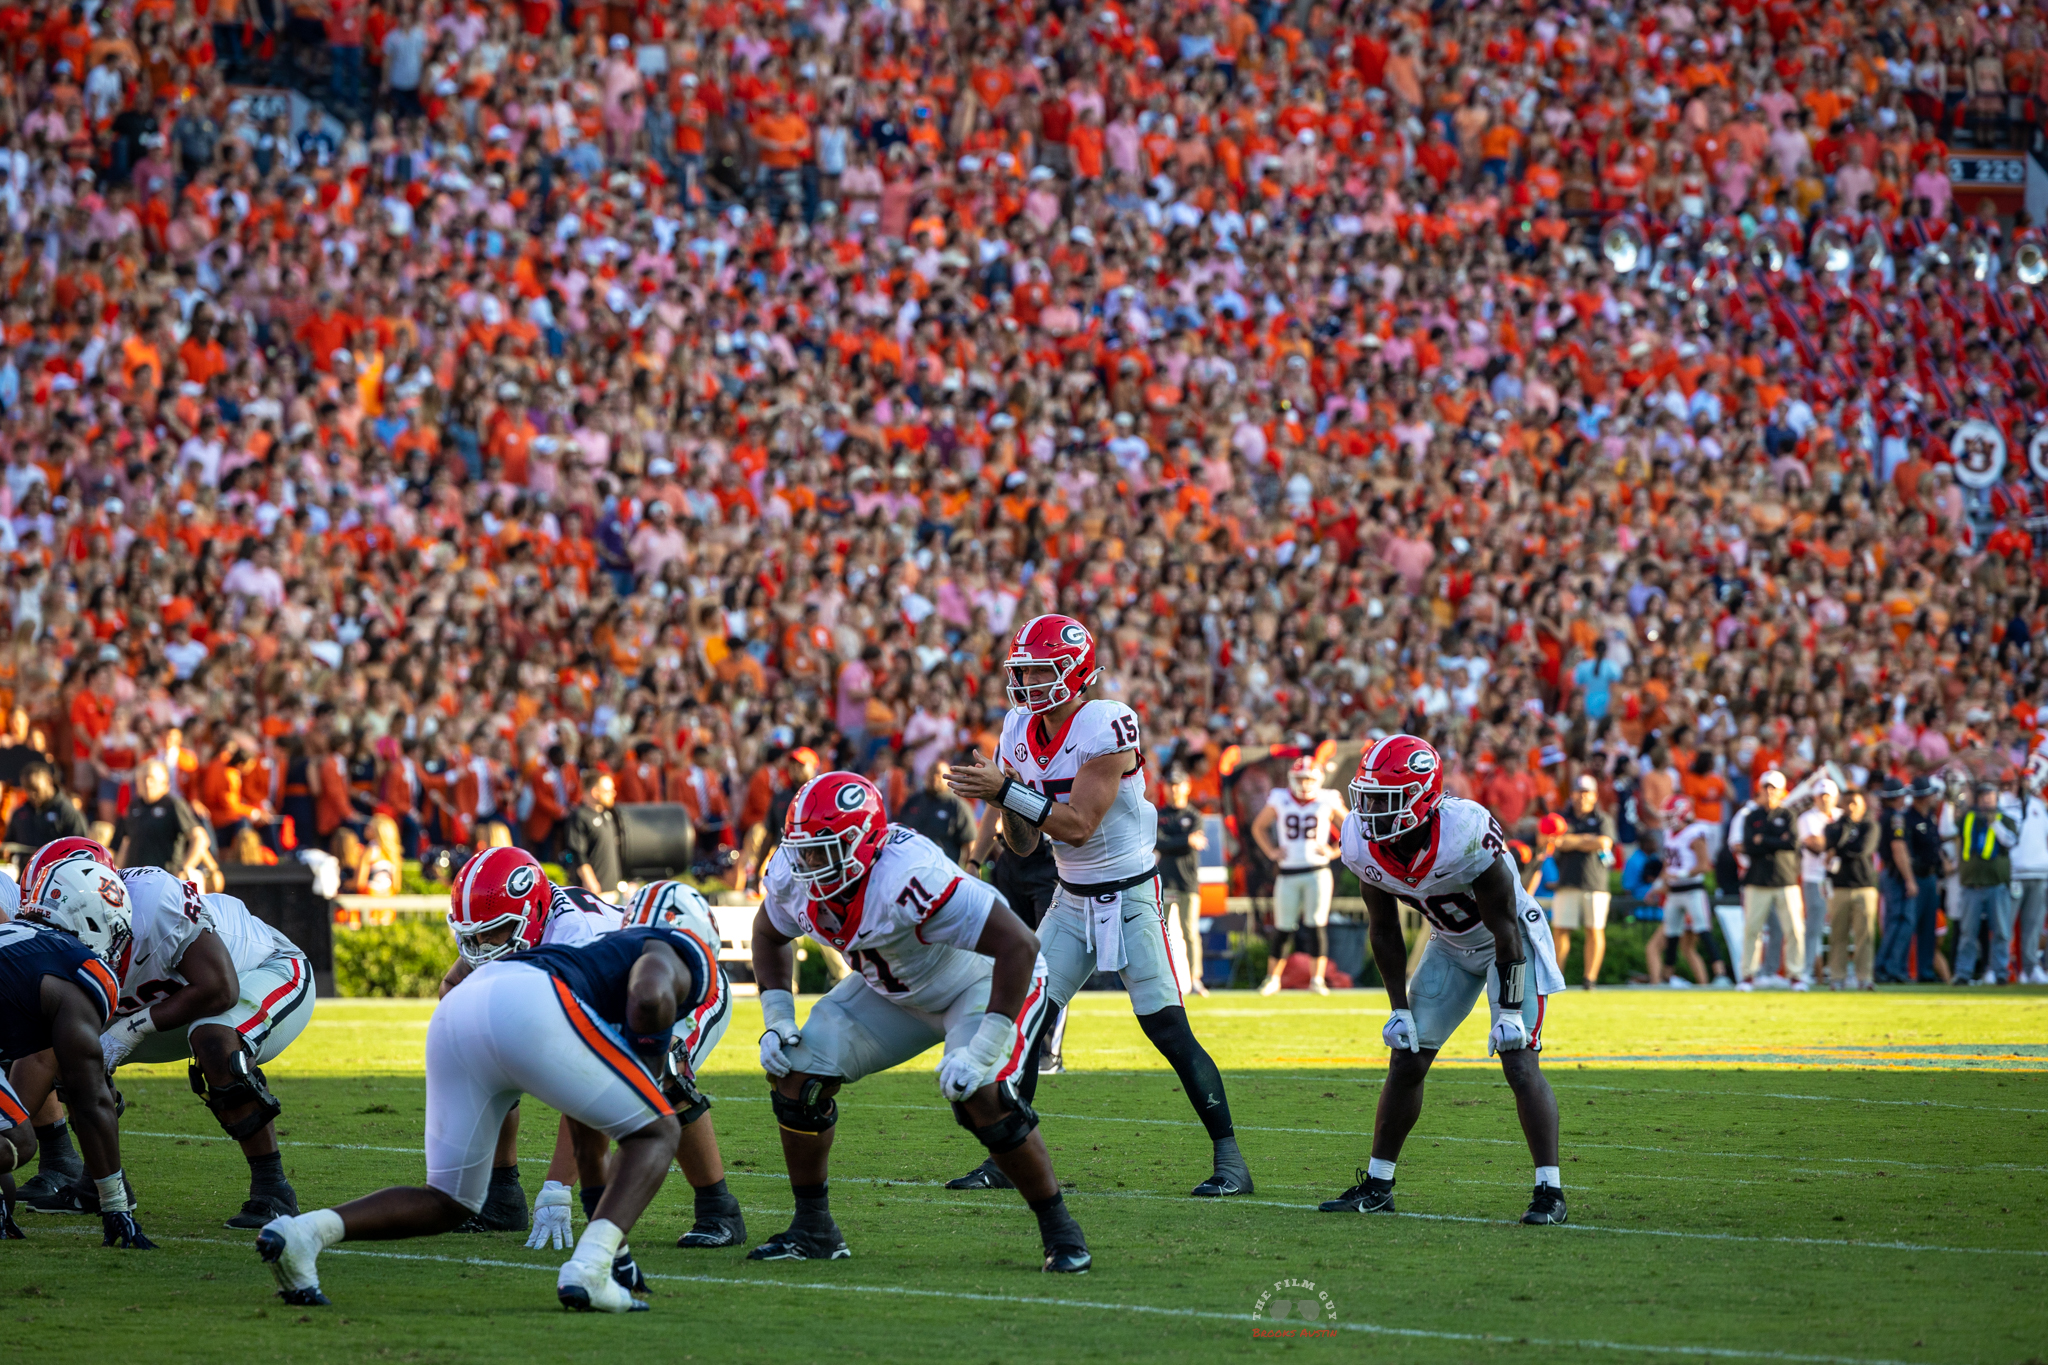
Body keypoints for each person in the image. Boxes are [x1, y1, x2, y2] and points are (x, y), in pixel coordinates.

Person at [257, 921, 713, 1313]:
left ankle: (304, 1234)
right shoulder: (678, 952)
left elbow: (588, 1144)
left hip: (463, 1006)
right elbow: (652, 994)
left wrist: (616, 1247)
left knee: (449, 1199)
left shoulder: (597, 968)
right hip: (528, 1001)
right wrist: (650, 1071)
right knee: (659, 1131)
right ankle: (588, 1271)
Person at [947, 615, 1251, 1198]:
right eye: (1024, 669)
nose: (1029, 681)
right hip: (1069, 897)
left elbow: (1081, 826)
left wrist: (1006, 790)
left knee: (1167, 1030)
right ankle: (1006, 1155)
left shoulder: (1106, 723)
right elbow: (1027, 842)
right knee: (1025, 1023)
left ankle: (1231, 1160)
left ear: (1075, 673)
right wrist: (1001, 810)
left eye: (1041, 669)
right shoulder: (1017, 727)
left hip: (1131, 896)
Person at [749, 771, 1089, 1271]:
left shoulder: (911, 874)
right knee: (796, 1072)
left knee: (981, 1094)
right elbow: (768, 933)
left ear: (865, 843)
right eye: (803, 849)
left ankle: (1060, 1229)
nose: (809, 864)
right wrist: (777, 1018)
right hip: (891, 992)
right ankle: (813, 1228)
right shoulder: (792, 875)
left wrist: (986, 1046)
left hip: (981, 980)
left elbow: (1019, 945)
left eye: (825, 850)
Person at [1321, 734, 1568, 1225]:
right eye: (1365, 796)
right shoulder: (1360, 838)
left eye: (1384, 800)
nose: (1368, 811)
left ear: (1423, 796)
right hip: (1449, 946)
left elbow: (1505, 928)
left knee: (1519, 1064)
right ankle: (1378, 1184)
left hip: (1510, 947)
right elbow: (1384, 927)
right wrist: (1398, 1008)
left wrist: (1512, 1011)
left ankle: (1550, 1192)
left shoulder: (1465, 831)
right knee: (1407, 1059)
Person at [14, 860, 314, 1226]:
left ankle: (273, 1189)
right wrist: (6, 1129)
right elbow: (38, 1057)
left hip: (261, 970)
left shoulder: (154, 901)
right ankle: (100, 1182)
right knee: (68, 1049)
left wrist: (130, 1031)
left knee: (216, 1045)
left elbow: (220, 989)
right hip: (175, 1001)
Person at [435, 851, 627, 1240]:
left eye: (493, 931)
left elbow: (593, 1075)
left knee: (664, 1089)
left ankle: (715, 1204)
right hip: (570, 986)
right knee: (482, 1053)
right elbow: (453, 985)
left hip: (659, 996)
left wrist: (557, 1189)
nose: (481, 943)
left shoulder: (577, 942)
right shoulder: (509, 923)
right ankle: (502, 1192)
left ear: (533, 914)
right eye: (474, 934)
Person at [0, 896, 153, 1247]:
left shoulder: (19, 935)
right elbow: (89, 1098)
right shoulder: (79, 971)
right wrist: (115, 1206)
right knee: (17, 1142)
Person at [615, 880, 745, 1249]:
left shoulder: (701, 972)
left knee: (668, 1065)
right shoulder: (600, 947)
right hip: (632, 989)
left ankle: (718, 1209)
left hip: (696, 993)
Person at [1250, 755, 1346, 995]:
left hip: (1318, 871)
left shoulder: (1327, 798)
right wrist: (1271, 851)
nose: (1304, 784)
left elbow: (1352, 826)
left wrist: (1335, 851)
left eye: (1308, 779)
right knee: (1283, 927)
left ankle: (1317, 980)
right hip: (1288, 871)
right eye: (1300, 779)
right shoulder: (1279, 798)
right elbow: (1258, 827)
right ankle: (1273, 979)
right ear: (1292, 779)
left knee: (1316, 926)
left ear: (1318, 779)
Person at [1737, 771, 1806, 990]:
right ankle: (1748, 975)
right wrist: (1776, 839)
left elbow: (1792, 843)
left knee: (1794, 929)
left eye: (1774, 788)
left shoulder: (1788, 815)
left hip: (1785, 879)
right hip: (1757, 880)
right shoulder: (1752, 816)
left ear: (1781, 790)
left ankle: (1795, 974)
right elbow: (1749, 845)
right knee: (1752, 929)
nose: (1770, 792)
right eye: (1766, 787)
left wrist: (1764, 840)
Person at [1548, 774, 1615, 989]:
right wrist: (1588, 840)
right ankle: (1556, 978)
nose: (1582, 797)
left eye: (1586, 792)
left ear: (1594, 795)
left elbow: (1605, 842)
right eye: (1578, 792)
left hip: (1595, 883)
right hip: (1567, 880)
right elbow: (1557, 842)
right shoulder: (1563, 818)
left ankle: (1590, 979)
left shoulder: (1603, 819)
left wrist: (1573, 841)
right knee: (1560, 930)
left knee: (1594, 930)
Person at [1877, 777, 1945, 984]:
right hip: (1904, 876)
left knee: (1914, 924)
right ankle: (1890, 968)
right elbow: (1900, 849)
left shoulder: (1921, 817)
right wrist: (1909, 879)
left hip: (1922, 875)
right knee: (1902, 922)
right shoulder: (1899, 818)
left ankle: (1897, 969)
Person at [1952, 780, 2018, 986]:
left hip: (1996, 884)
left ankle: (2000, 972)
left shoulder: (2005, 820)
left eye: (1991, 796)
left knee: (2001, 931)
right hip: (1972, 884)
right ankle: (1963, 972)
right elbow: (1949, 826)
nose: (1987, 800)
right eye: (1983, 797)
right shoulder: (1968, 819)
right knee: (1967, 933)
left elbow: (2011, 841)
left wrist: (1994, 823)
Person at [1154, 763, 1209, 998]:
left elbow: (1167, 843)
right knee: (1161, 931)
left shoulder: (1194, 815)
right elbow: (1158, 842)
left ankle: (1196, 979)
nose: (1174, 789)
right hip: (1165, 880)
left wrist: (1174, 842)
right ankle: (1162, 977)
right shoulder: (1159, 815)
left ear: (1187, 787)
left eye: (1178, 784)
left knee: (1189, 931)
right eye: (1171, 785)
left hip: (1187, 881)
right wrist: (1186, 840)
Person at [1647, 796, 1714, 987]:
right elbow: (1668, 867)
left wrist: (1677, 876)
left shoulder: (1693, 834)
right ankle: (1699, 982)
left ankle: (1660, 981)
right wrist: (1660, 885)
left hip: (1689, 894)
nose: (1667, 820)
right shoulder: (1671, 836)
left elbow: (1703, 865)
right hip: (1677, 896)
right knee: (1687, 948)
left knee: (1668, 946)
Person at [1825, 790, 1882, 990]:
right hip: (1839, 886)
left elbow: (1862, 849)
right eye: (1847, 803)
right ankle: (1837, 977)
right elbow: (1831, 842)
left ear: (1863, 805)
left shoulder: (1870, 826)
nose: (1851, 807)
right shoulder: (1834, 826)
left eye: (1855, 803)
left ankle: (1864, 977)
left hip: (1864, 886)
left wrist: (1839, 849)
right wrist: (1844, 835)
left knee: (1864, 935)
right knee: (1838, 935)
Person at [115, 759, 205, 877]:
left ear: (164, 783)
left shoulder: (173, 805)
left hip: (165, 879)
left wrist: (185, 868)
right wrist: (117, 873)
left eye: (151, 778)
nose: (147, 783)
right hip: (136, 880)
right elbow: (126, 842)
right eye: (143, 779)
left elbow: (200, 838)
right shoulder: (133, 806)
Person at [1794, 780, 1838, 984]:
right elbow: (1814, 843)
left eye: (1828, 795)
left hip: (1840, 878)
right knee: (1814, 926)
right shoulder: (1808, 818)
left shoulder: (1839, 816)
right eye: (1821, 795)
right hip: (1815, 877)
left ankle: (1839, 972)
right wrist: (1838, 846)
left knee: (1842, 925)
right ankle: (1807, 970)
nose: (1825, 799)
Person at [895, 759, 975, 864]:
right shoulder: (913, 801)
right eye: (930, 773)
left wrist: (968, 870)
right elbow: (899, 830)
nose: (934, 777)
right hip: (910, 864)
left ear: (948, 777)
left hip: (943, 869)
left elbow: (969, 842)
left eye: (938, 774)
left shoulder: (958, 806)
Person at [5, 760, 89, 857]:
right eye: (27, 789)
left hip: (57, 870)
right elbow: (9, 845)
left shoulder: (68, 813)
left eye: (35, 789)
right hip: (25, 870)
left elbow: (81, 850)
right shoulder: (20, 813)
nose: (31, 794)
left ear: (48, 781)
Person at [2011, 774, 2048, 986]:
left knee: (2033, 925)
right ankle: (2003, 968)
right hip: (2017, 872)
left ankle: (2030, 968)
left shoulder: (2039, 805)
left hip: (2040, 871)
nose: (2026, 784)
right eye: (2022, 780)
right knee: (2006, 924)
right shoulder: (2007, 804)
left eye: (2028, 780)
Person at [561, 773, 623, 897]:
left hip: (613, 888)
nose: (613, 794)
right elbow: (577, 852)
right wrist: (589, 880)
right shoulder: (580, 816)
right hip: (594, 892)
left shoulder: (608, 814)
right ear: (595, 792)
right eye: (609, 791)